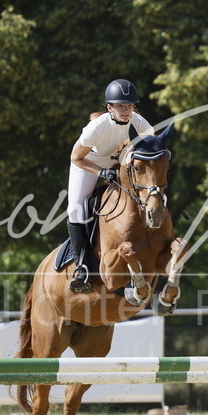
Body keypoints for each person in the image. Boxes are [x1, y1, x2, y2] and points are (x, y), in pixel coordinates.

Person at [66, 79, 154, 293]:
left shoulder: (140, 123)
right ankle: (82, 266)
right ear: (110, 107)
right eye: (121, 106)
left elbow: (152, 150)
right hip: (90, 162)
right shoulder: (97, 127)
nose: (126, 111)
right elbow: (76, 157)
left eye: (130, 106)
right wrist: (100, 172)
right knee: (76, 209)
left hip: (119, 161)